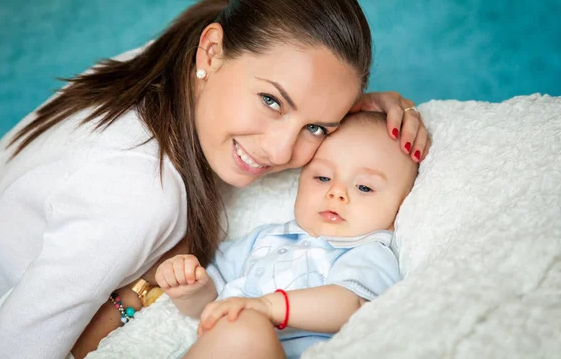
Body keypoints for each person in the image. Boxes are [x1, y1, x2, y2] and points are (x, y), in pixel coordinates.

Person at [0, 0, 429, 359]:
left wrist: (359, 119)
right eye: (271, 100)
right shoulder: (138, 192)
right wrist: (138, 294)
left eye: (316, 128)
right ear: (211, 50)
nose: (282, 152)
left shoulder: (183, 55)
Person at [156, 111, 418, 358]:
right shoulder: (266, 239)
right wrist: (190, 288)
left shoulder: (369, 251)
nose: (336, 192)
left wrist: (269, 307)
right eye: (323, 178)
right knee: (237, 328)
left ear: (400, 208)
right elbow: (209, 302)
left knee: (243, 328)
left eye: (364, 186)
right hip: (226, 345)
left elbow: (351, 304)